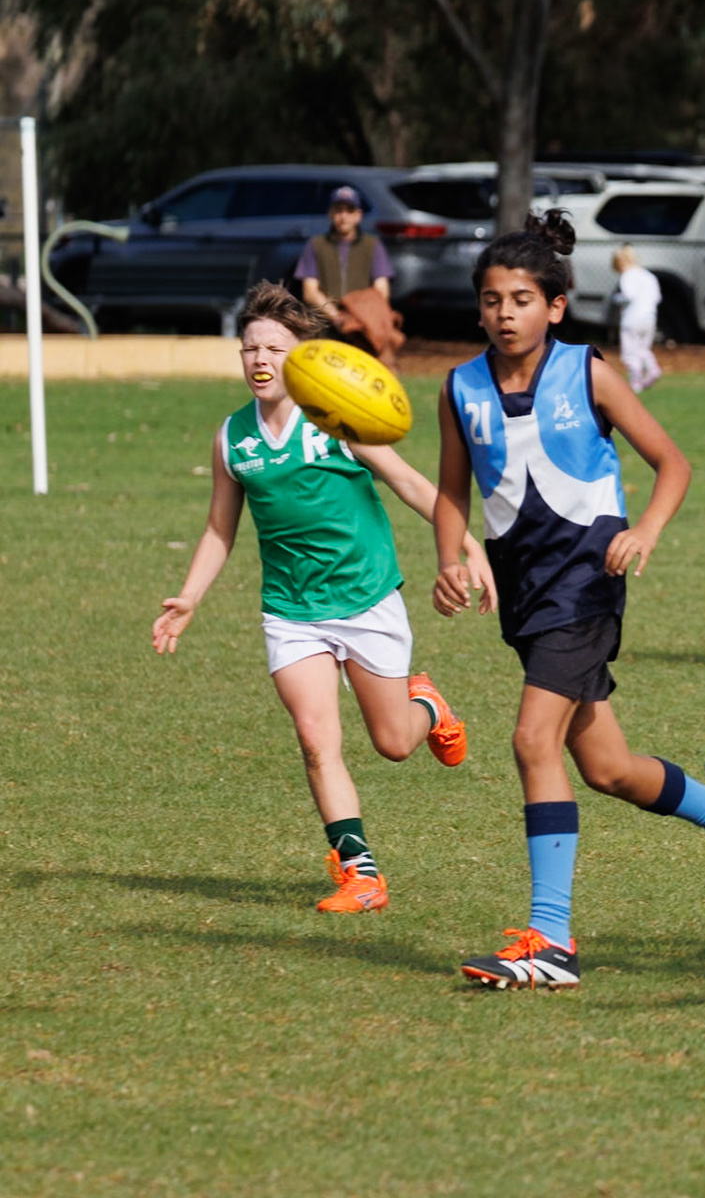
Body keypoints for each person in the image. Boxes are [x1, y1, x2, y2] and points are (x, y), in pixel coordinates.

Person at [432, 211, 705, 990]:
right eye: (491, 300)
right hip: (524, 592)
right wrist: (449, 559)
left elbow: (673, 463)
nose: (504, 314)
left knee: (533, 741)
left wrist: (645, 531)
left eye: (522, 300)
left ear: (555, 306)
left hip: (587, 582)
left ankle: (550, 941)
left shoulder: (587, 372)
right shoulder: (460, 388)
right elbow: (450, 493)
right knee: (609, 768)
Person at [152, 281, 482, 914]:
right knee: (315, 741)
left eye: (274, 348)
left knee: (393, 742)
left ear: (301, 357)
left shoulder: (336, 417)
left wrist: (466, 546)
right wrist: (189, 598)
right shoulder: (233, 438)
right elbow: (220, 528)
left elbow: (410, 482)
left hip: (365, 598)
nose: (259, 359)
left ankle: (429, 706)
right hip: (291, 611)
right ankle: (362, 875)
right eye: (250, 348)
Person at [297, 185, 402, 367]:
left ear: (358, 215)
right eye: (338, 210)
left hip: (363, 328)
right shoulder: (316, 245)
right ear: (330, 213)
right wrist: (337, 317)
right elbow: (310, 291)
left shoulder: (372, 245)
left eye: (349, 210)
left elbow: (381, 290)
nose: (343, 216)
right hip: (326, 328)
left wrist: (360, 318)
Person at [611, 244, 663, 392]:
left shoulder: (627, 276)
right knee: (642, 348)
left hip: (631, 318)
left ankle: (635, 382)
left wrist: (616, 298)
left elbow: (629, 295)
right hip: (649, 317)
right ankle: (653, 369)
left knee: (629, 352)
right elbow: (658, 297)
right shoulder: (649, 276)